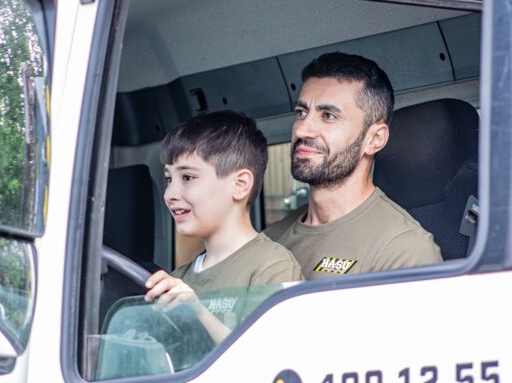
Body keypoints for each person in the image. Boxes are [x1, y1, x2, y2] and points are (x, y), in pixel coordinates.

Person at [264, 52, 442, 279]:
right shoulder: (270, 240)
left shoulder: (404, 250)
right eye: (301, 112)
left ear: (375, 139)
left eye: (328, 116)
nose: (302, 130)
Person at [144, 110, 303, 343]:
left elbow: (267, 363)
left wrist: (197, 311)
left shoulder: (273, 267)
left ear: (240, 185)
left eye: (187, 177)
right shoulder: (179, 277)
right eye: (169, 179)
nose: (170, 194)